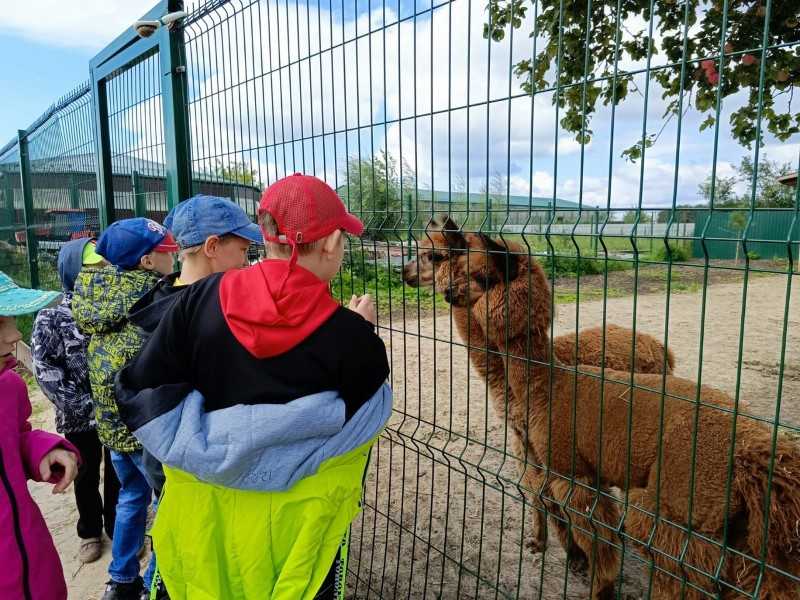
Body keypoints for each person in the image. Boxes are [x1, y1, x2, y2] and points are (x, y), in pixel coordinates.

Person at [116, 173, 392, 599]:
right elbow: (361, 426)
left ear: (266, 236)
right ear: (334, 242)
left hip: (202, 529)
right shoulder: (353, 341)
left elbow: (143, 389)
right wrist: (362, 335)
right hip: (299, 539)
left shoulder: (195, 302)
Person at [72, 218, 177, 600]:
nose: (174, 254)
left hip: (112, 427)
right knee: (167, 501)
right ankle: (157, 579)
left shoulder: (95, 290)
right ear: (148, 262)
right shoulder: (157, 299)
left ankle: (121, 580)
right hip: (146, 426)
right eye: (167, 250)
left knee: (130, 496)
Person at [31, 238, 120, 564]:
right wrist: (87, 408)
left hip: (117, 414)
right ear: (71, 271)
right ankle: (89, 532)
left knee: (117, 472)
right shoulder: (51, 318)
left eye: (103, 268)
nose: (99, 275)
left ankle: (117, 528)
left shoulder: (114, 309)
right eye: (90, 269)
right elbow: (46, 372)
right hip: (78, 417)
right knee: (83, 473)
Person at [0, 271, 80, 600]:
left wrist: (41, 450)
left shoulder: (9, 387)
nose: (14, 335)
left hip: (30, 559)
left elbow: (14, 438)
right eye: (0, 324)